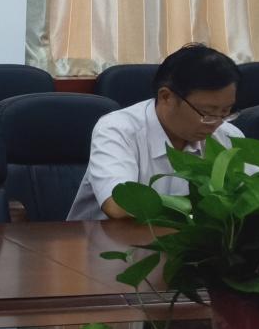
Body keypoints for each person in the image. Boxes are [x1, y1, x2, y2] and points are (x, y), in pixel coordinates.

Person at [68, 44, 244, 221]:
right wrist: (197, 212)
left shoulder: (228, 136)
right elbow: (119, 205)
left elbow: (253, 197)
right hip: (105, 237)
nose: (216, 123)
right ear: (166, 96)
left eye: (225, 111)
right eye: (207, 113)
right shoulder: (118, 129)